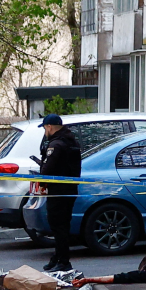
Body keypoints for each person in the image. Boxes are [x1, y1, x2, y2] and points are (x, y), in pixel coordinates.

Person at [36, 113, 81, 273]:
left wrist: (41, 182)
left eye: (45, 128)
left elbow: (48, 169)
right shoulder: (71, 140)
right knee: (63, 225)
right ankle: (58, 257)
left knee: (57, 226)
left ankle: (63, 261)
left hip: (58, 191)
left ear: (49, 127)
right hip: (69, 189)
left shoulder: (56, 144)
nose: (45, 132)